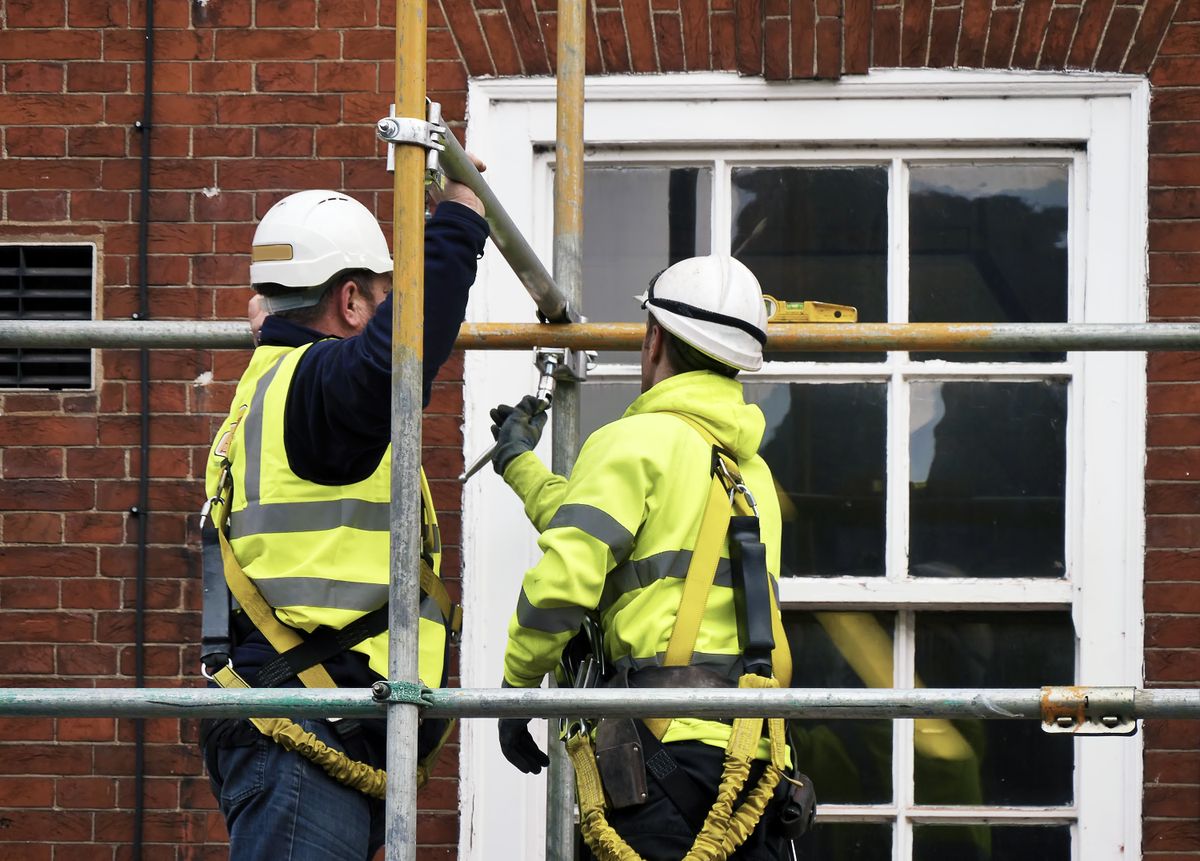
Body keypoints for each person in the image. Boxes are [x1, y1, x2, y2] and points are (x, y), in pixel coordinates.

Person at [200, 177, 488, 860]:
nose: (391, 307)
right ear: (351, 299)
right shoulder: (317, 386)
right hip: (303, 728)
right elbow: (398, 354)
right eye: (381, 293)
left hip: (305, 723)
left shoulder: (279, 380)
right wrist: (458, 221)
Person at [490, 256, 807, 860]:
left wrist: (517, 690)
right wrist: (521, 465)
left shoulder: (631, 443)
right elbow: (604, 521)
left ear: (655, 337)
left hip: (660, 764)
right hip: (757, 772)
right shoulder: (753, 475)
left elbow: (563, 583)